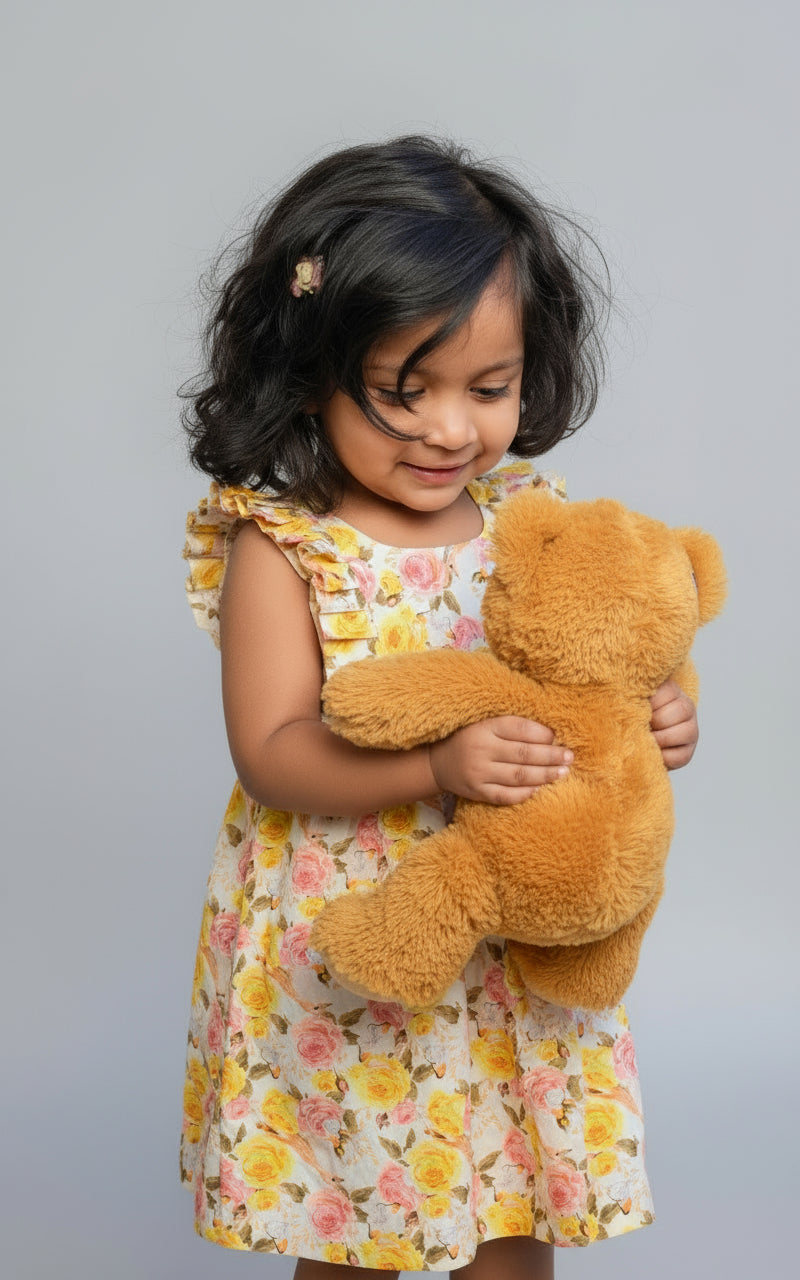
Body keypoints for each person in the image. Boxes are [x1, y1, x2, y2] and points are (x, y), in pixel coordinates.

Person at [179, 136, 698, 1279]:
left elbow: (591, 666)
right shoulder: (288, 547)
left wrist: (657, 720)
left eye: (488, 388)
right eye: (400, 392)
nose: (449, 430)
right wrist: (436, 767)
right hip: (356, 939)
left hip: (508, 941)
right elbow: (273, 753)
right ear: (308, 368)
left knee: (508, 1211)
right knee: (357, 1209)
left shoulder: (530, 514)